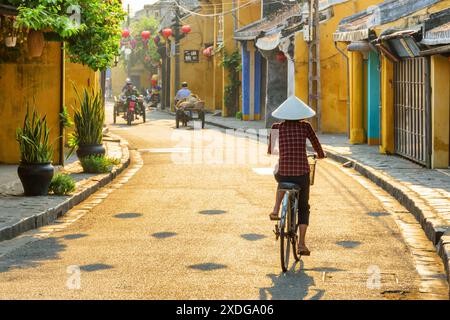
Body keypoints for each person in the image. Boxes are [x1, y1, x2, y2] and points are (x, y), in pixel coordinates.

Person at [268, 96, 326, 256]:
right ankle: (301, 244)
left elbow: (271, 150)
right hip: (301, 173)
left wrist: (282, 152)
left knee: (279, 176)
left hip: (284, 173)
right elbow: (317, 146)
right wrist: (320, 155)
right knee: (303, 207)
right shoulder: (306, 127)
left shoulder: (276, 127)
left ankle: (275, 209)